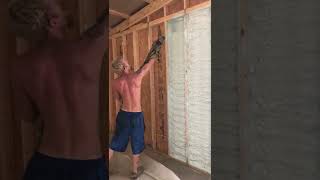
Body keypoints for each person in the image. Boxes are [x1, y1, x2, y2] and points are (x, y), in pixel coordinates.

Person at [8, 0, 107, 179]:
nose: (65, 9)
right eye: (58, 7)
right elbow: (108, 19)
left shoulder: (18, 66)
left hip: (44, 165)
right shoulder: (88, 49)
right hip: (87, 168)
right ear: (53, 21)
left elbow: (28, 115)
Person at [109, 47, 161, 179]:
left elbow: (117, 99)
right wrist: (156, 49)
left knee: (116, 140)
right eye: (125, 61)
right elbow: (147, 65)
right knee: (136, 142)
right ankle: (134, 171)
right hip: (136, 115)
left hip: (123, 114)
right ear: (124, 66)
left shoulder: (115, 83)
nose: (128, 61)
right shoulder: (136, 76)